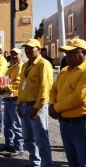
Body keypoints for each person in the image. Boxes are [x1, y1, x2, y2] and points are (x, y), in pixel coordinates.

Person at [49, 38, 86, 167]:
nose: (67, 56)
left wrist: (56, 108)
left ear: (84, 53)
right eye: (66, 52)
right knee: (72, 161)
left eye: (72, 52)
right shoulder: (65, 71)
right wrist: (52, 105)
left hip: (81, 125)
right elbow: (53, 89)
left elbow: (79, 97)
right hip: (65, 123)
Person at [17, 39, 53, 167]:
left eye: (30, 48)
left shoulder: (44, 64)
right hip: (25, 106)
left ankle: (46, 164)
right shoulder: (26, 65)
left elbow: (45, 88)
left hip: (36, 107)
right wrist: (18, 104)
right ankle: (34, 163)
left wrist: (37, 107)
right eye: (26, 48)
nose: (27, 50)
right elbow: (22, 86)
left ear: (38, 49)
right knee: (28, 139)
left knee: (41, 139)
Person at [0, 48, 24, 157]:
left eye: (16, 54)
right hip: (8, 98)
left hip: (15, 98)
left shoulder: (21, 66)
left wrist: (5, 87)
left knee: (17, 124)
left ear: (21, 55)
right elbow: (4, 79)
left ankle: (19, 147)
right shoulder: (11, 67)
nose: (14, 56)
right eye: (12, 54)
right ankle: (9, 144)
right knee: (7, 124)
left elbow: (17, 82)